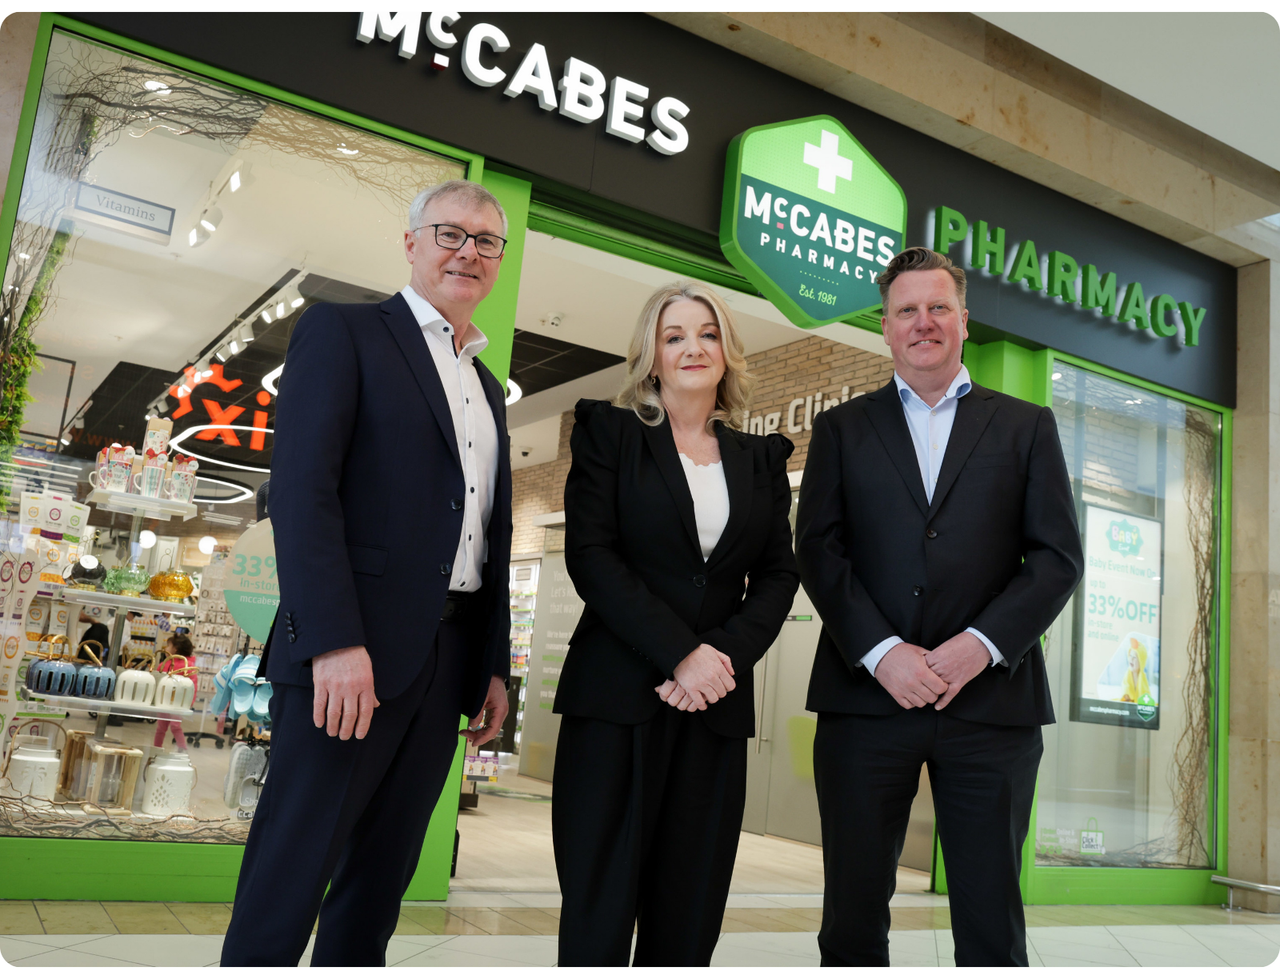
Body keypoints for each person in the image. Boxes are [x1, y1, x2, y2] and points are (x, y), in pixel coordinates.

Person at [220, 179, 514, 967]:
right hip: (350, 657)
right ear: (411, 243)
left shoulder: (488, 387)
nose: (468, 252)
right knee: (290, 871)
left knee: (379, 884)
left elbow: (489, 530)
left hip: (446, 664)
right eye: (450, 233)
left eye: (486, 241)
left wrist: (490, 661)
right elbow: (302, 491)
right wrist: (332, 641)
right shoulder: (343, 332)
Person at [795, 246, 1084, 967]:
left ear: (963, 320)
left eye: (937, 307)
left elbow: (1057, 559)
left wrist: (979, 646)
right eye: (906, 310)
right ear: (885, 327)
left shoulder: (1026, 426)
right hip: (866, 703)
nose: (922, 322)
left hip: (992, 709)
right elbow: (819, 552)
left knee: (991, 923)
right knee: (852, 916)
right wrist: (883, 653)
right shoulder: (840, 429)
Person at [553, 282, 800, 966]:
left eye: (708, 333)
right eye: (674, 336)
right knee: (600, 907)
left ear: (728, 351)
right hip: (614, 700)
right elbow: (592, 556)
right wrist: (679, 654)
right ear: (651, 356)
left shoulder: (761, 460)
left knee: (689, 916)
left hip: (713, 708)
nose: (693, 347)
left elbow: (778, 575)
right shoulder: (609, 434)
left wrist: (718, 658)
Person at [154, 634, 196, 750]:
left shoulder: (187, 666)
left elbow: (192, 685)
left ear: (175, 649)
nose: (166, 648)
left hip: (177, 702)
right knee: (162, 727)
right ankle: (157, 748)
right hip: (166, 701)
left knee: (174, 726)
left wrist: (190, 701)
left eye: (168, 646)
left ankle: (181, 749)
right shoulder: (165, 664)